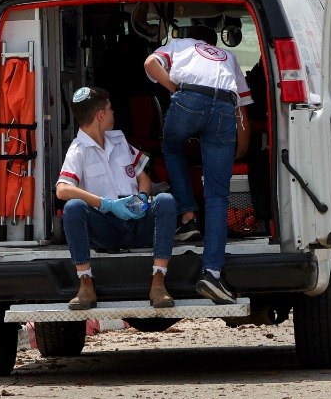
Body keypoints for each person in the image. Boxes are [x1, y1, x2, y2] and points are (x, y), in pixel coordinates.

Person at [144, 23, 250, 305]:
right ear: (214, 41)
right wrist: (242, 149)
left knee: (171, 147)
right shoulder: (229, 56)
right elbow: (242, 108)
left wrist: (175, 88)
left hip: (188, 99)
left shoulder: (180, 45)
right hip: (224, 109)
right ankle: (212, 273)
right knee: (218, 194)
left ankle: (188, 218)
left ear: (189, 36)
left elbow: (150, 63)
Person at [56, 86, 176, 310]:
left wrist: (140, 197)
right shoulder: (78, 150)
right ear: (100, 115)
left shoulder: (119, 141)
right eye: (110, 109)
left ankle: (158, 281)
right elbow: (62, 189)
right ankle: (85, 284)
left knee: (166, 201)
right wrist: (106, 203)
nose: (114, 114)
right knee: (73, 207)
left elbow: (144, 179)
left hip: (137, 221)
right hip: (107, 226)